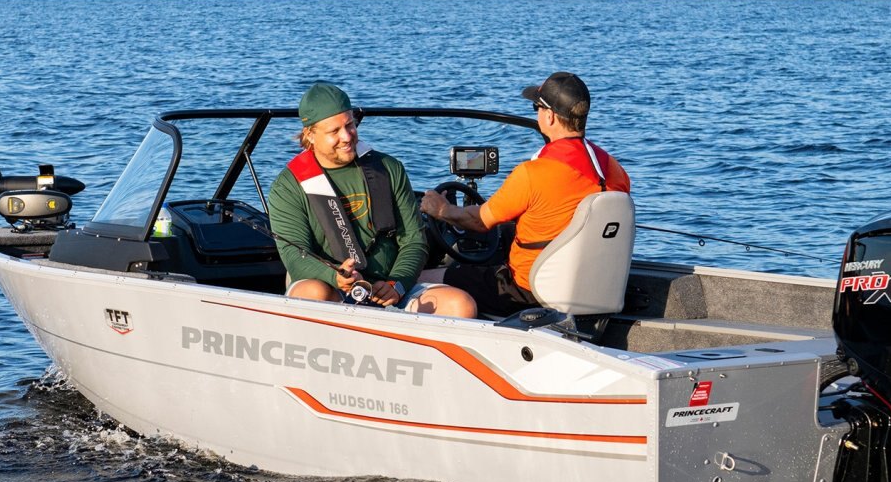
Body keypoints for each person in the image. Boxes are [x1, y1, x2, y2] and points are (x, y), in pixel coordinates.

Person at [419, 71, 630, 316]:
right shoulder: (613, 169)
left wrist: (442, 209)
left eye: (536, 107)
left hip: (525, 291)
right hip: (590, 284)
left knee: (422, 278)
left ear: (550, 116)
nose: (537, 113)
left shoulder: (532, 174)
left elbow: (478, 222)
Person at [269, 82, 477, 317]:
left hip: (389, 288)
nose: (346, 136)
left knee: (461, 305)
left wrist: (397, 284)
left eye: (350, 125)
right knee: (313, 292)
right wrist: (335, 277)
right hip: (330, 288)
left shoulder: (389, 168)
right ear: (310, 134)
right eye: (334, 131)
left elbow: (414, 241)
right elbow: (295, 255)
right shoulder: (287, 186)